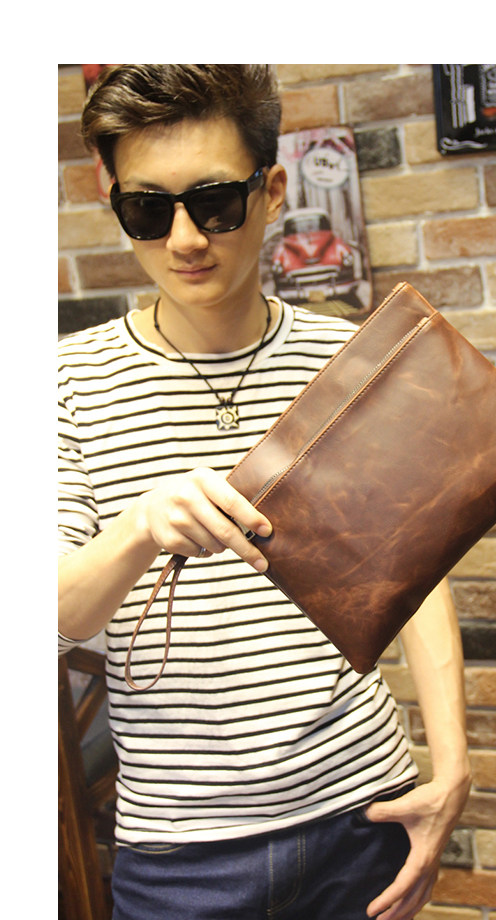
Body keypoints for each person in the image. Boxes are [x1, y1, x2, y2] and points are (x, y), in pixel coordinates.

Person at [58, 65, 471, 920]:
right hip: (182, 855)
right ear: (115, 201)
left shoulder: (344, 359)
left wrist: (453, 762)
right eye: (147, 209)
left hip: (363, 813)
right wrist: (138, 527)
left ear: (271, 191)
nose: (183, 239)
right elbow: (52, 617)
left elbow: (412, 564)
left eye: (214, 203)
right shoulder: (66, 383)